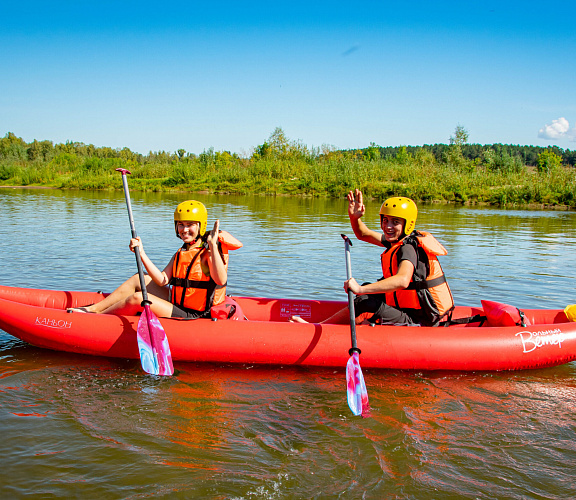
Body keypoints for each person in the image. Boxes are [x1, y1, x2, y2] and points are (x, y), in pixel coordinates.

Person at [292, 189, 454, 326]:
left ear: (408, 224)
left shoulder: (408, 249)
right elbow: (363, 234)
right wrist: (355, 218)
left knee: (365, 300)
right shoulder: (396, 241)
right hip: (408, 311)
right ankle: (358, 323)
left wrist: (360, 290)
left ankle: (319, 328)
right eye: (385, 220)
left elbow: (402, 280)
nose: (388, 226)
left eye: (395, 222)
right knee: (368, 291)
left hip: (421, 320)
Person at [68, 200, 242, 319]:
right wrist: (141, 252)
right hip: (178, 303)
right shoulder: (181, 252)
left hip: (193, 314)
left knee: (138, 298)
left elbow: (221, 279)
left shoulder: (207, 253)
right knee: (140, 278)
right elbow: (162, 280)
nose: (184, 229)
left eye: (190, 225)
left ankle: (98, 319)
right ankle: (94, 309)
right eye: (180, 224)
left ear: (200, 226)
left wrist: (212, 246)